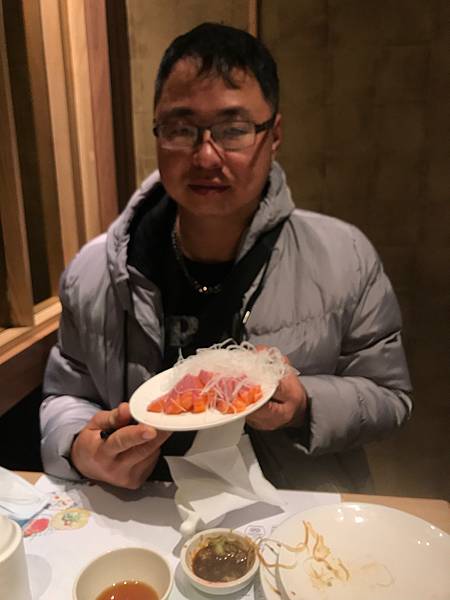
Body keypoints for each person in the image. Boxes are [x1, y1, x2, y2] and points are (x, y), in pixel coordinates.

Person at [41, 22, 412, 493]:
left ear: (274, 135)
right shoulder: (94, 272)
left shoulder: (345, 257)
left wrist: (305, 404)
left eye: (233, 130)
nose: (205, 157)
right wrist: (78, 447)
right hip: (147, 513)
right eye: (181, 129)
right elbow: (66, 395)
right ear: (157, 132)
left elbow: (390, 398)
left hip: (289, 513)